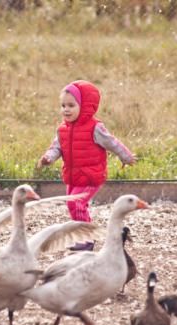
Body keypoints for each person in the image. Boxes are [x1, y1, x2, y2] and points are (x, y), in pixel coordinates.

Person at [37, 80, 136, 251]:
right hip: (72, 176)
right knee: (73, 205)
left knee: (77, 204)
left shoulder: (95, 128)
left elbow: (111, 142)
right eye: (63, 105)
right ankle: (81, 236)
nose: (66, 109)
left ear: (85, 106)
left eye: (71, 105)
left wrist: (126, 156)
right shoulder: (62, 130)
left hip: (91, 176)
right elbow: (56, 147)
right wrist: (48, 158)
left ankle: (88, 239)